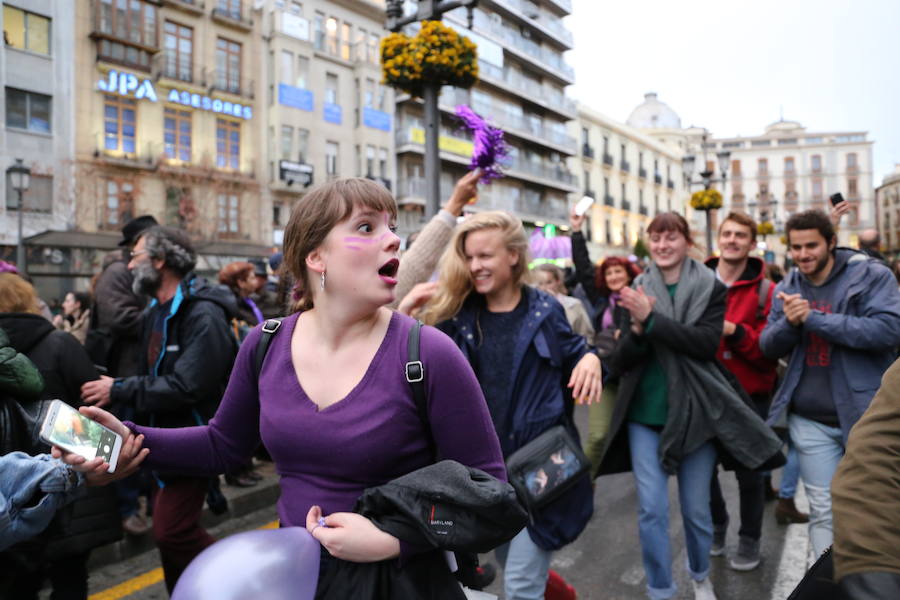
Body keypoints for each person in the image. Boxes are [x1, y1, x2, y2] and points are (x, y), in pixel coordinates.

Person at [67, 178, 507, 598]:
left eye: (392, 228)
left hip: (402, 584)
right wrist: (127, 440)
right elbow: (223, 445)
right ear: (316, 257)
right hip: (296, 582)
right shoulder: (265, 344)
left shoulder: (429, 353)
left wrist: (395, 538)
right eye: (367, 227)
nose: (393, 239)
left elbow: (490, 492)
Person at [412, 210, 602, 600]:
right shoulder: (455, 316)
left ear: (513, 255)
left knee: (519, 586)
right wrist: (407, 310)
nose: (475, 266)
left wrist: (591, 357)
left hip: (539, 471)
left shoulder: (546, 311)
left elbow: (575, 349)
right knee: (513, 563)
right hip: (487, 477)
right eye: (469, 257)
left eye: (485, 256)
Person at [595, 212, 783, 600]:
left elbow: (703, 344)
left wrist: (650, 322)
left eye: (671, 238)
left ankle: (699, 575)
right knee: (651, 510)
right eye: (656, 239)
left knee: (697, 512)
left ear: (687, 241)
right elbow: (622, 361)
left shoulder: (711, 288)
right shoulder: (637, 287)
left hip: (696, 411)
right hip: (643, 415)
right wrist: (635, 330)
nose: (662, 246)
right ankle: (660, 589)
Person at [79, 225, 240, 592]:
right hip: (157, 442)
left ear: (160, 261)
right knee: (170, 544)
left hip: (192, 439)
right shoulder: (154, 311)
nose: (130, 266)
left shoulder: (203, 315)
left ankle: (247, 581)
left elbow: (187, 385)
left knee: (172, 532)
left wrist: (118, 388)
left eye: (135, 257)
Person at [760, 209, 900, 559]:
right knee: (823, 510)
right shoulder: (788, 285)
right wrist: (791, 324)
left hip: (866, 417)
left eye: (811, 245)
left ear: (832, 242)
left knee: (872, 511)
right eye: (796, 247)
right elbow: (767, 345)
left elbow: (887, 330)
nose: (803, 254)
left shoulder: (871, 276)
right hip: (809, 420)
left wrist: (814, 318)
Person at [0, 274, 121, 600]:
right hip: (67, 476)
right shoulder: (59, 343)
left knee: (18, 585)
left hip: (14, 497)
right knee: (69, 578)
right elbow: (94, 411)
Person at [703, 212, 780, 571]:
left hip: (750, 397)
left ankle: (749, 540)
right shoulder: (697, 280)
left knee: (751, 475)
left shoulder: (767, 291)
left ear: (752, 244)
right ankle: (717, 525)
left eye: (741, 235)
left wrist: (734, 331)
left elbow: (769, 351)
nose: (732, 240)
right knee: (702, 474)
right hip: (703, 394)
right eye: (727, 233)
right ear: (719, 238)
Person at [569, 207, 642, 473]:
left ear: (629, 275)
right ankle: (583, 485)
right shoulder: (601, 301)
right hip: (607, 375)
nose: (613, 277)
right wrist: (576, 231)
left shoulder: (639, 299)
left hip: (636, 377)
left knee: (637, 436)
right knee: (597, 436)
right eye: (609, 273)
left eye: (618, 272)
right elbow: (584, 268)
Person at [832, 357, 900, 598]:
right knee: (821, 508)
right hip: (813, 415)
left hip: (855, 405)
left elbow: (883, 330)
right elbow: (875, 458)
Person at [533, 264, 595, 342]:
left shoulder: (574, 305)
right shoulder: (532, 307)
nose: (544, 288)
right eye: (540, 284)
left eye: (549, 282)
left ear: (557, 281)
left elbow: (586, 335)